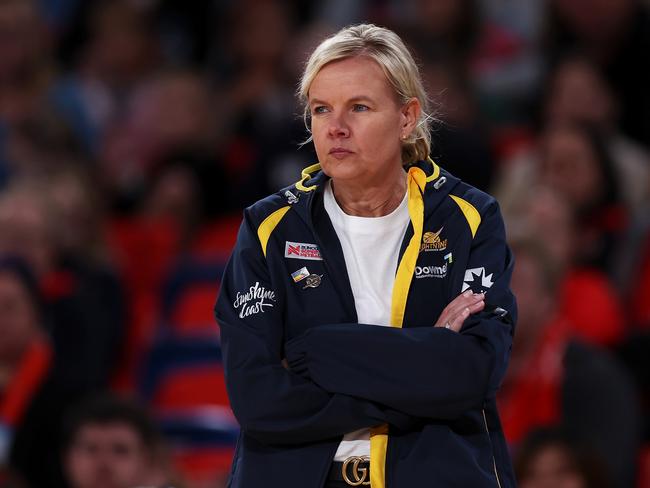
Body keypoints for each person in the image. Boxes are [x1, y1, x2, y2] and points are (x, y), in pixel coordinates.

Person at [214, 24, 517, 488]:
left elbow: (472, 373)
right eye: (321, 109)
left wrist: (321, 353)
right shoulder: (268, 227)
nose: (335, 127)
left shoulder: (469, 217)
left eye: (359, 107)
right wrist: (422, 370)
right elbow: (257, 398)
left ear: (406, 117)